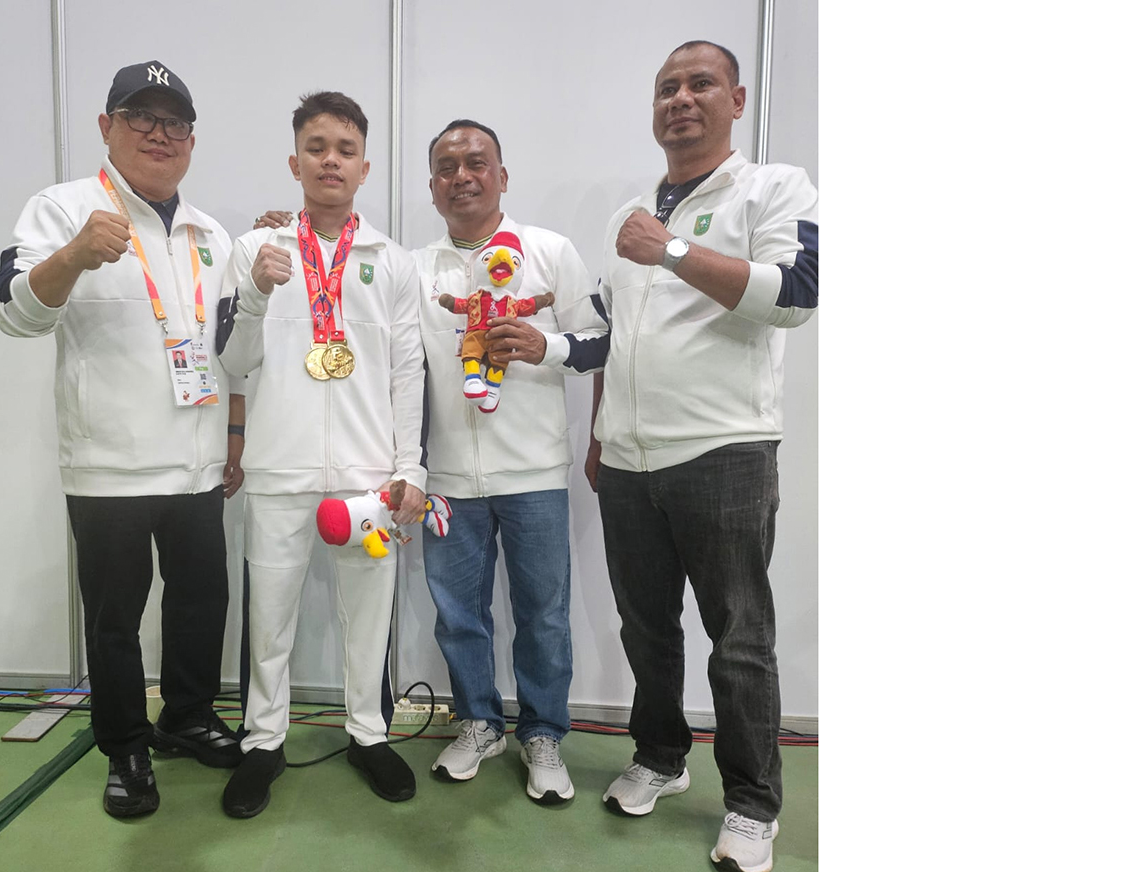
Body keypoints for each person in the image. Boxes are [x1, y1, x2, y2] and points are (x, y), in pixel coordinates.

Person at [253, 118, 608, 804]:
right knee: (458, 614)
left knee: (544, 613)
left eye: (477, 163)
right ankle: (478, 721)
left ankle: (543, 735)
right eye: (447, 167)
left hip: (533, 474)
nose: (462, 176)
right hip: (445, 482)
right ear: (431, 186)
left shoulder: (549, 251)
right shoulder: (411, 268)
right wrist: (281, 230)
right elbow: (398, 366)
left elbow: (600, 341)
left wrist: (548, 347)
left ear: (502, 176)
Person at [0, 60, 246, 819]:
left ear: (191, 142)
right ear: (106, 129)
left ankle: (187, 716)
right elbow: (11, 312)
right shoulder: (62, 210)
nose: (158, 135)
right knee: (115, 621)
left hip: (198, 464)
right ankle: (126, 746)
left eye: (174, 124)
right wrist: (72, 256)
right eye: (141, 118)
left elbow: (232, 348)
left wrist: (232, 442)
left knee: (203, 603)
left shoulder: (210, 231)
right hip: (108, 469)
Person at [588, 41, 818, 872]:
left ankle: (753, 806)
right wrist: (532, 346)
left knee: (740, 638)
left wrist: (674, 251)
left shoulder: (772, 187)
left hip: (725, 453)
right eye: (666, 88)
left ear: (738, 98)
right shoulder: (630, 211)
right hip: (628, 461)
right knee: (647, 631)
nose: (680, 99)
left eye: (699, 84)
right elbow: (601, 336)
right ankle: (659, 757)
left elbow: (796, 296)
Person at [215, 91, 427, 819]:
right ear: (294, 160)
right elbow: (233, 363)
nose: (329, 159)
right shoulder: (256, 251)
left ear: (364, 167)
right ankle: (262, 743)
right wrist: (253, 294)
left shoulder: (392, 261)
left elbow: (407, 370)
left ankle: (369, 733)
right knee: (268, 617)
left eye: (344, 149)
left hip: (369, 478)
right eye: (316, 146)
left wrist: (412, 469)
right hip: (278, 469)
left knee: (369, 615)